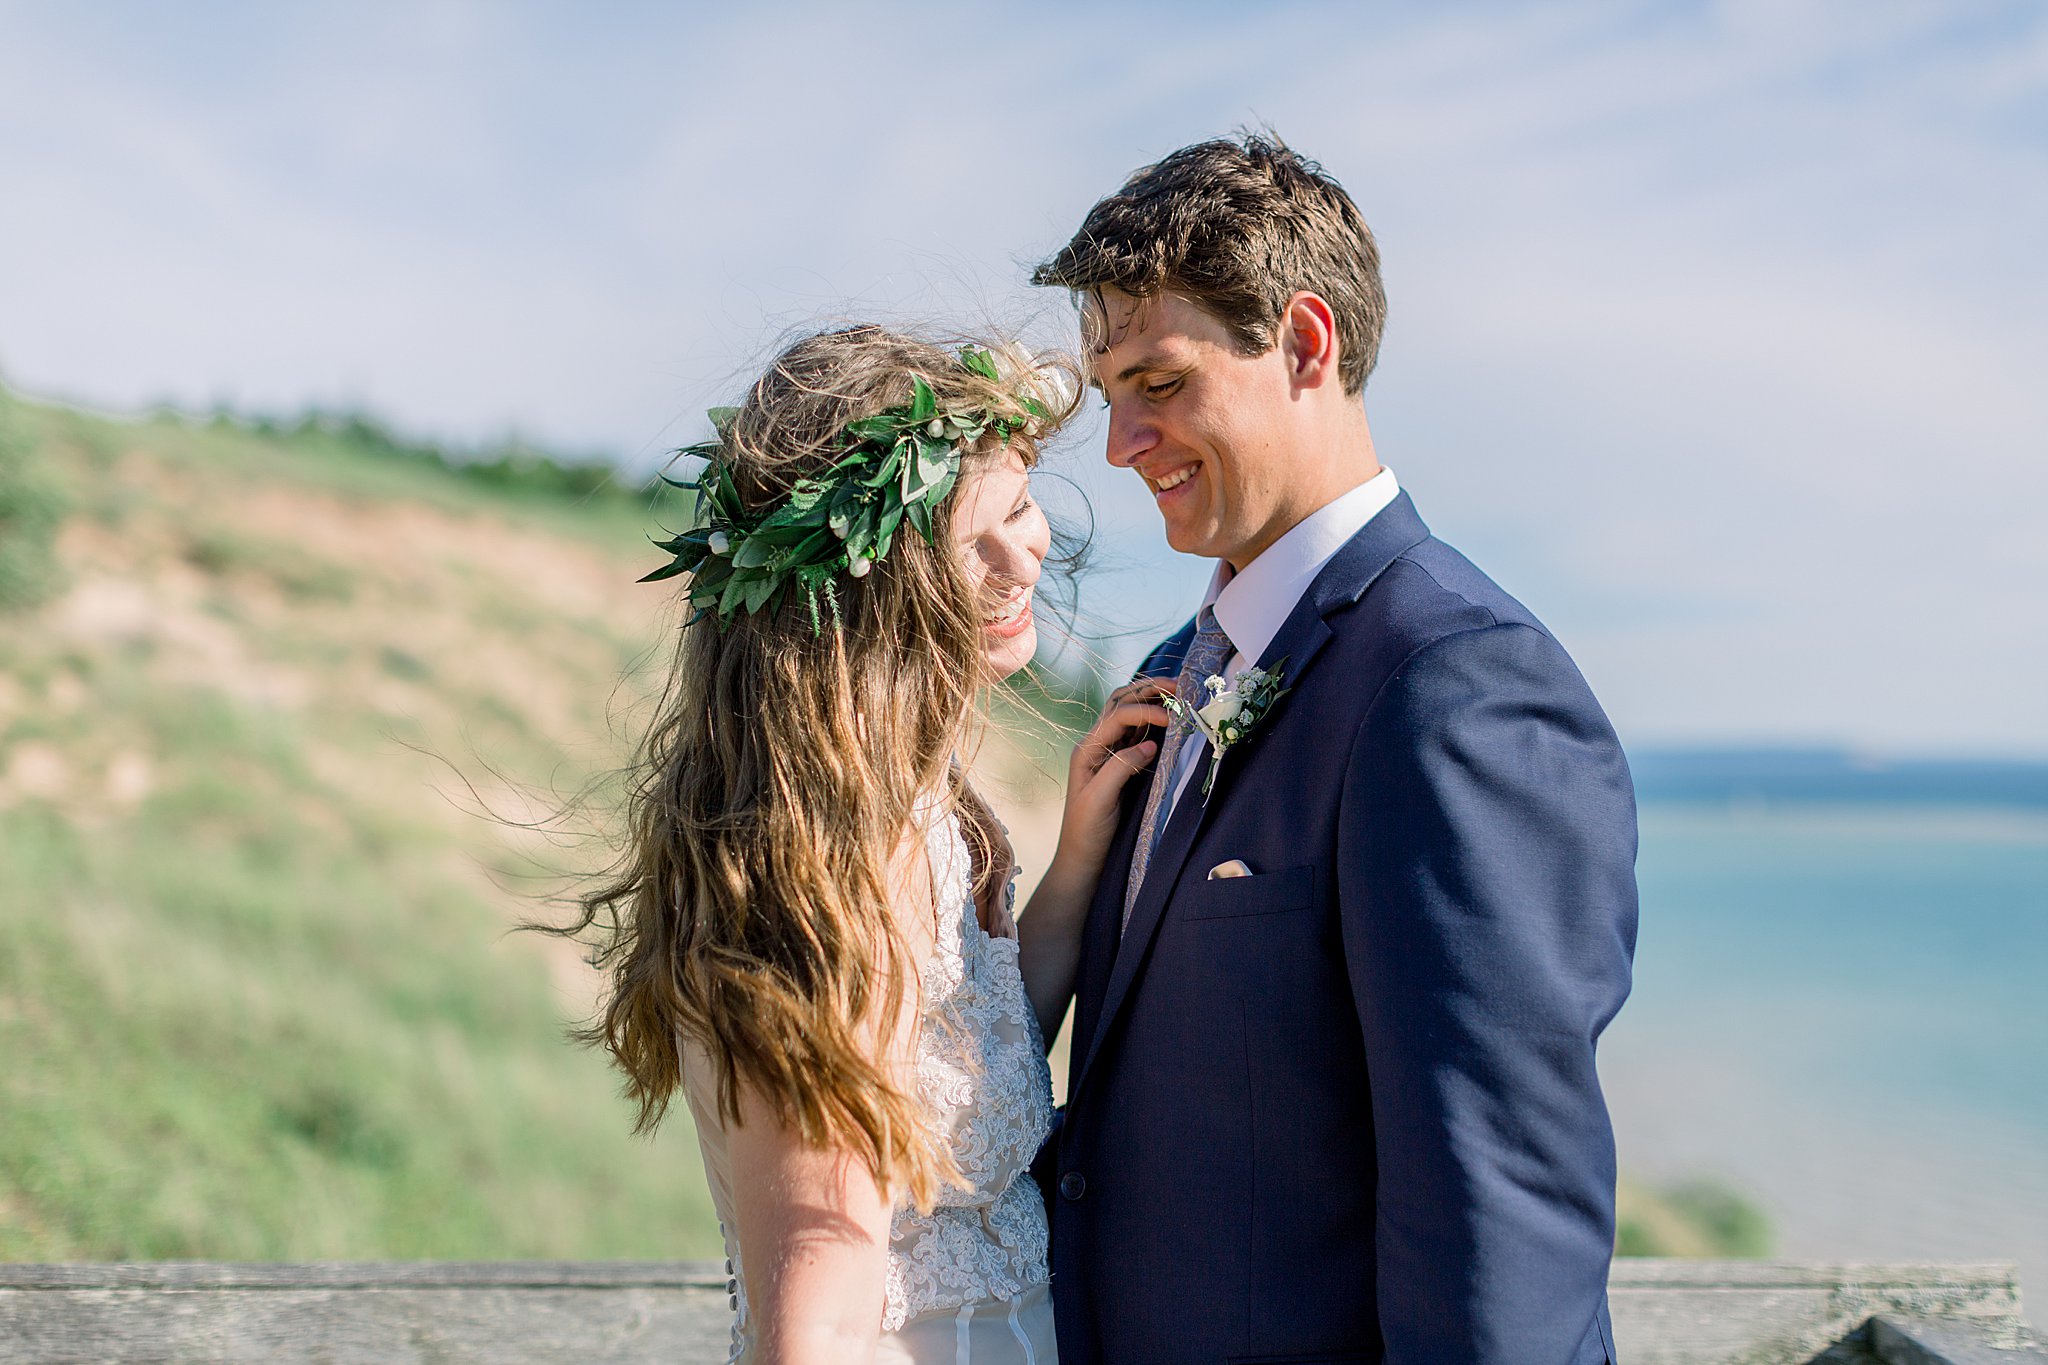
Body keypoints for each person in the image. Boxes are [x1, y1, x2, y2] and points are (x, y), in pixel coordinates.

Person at [1022, 133, 1640, 1364]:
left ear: (1304, 344)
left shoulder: (1458, 688)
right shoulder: (1169, 676)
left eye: (1159, 383)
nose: (1119, 443)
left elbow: (1496, 1209)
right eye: (1110, 399)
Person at [568, 325, 1170, 1364]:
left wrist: (1076, 862)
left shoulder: (914, 811)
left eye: (1022, 506)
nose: (1026, 550)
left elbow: (949, 1075)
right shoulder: (820, 869)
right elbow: (820, 1314)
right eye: (976, 533)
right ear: (876, 584)